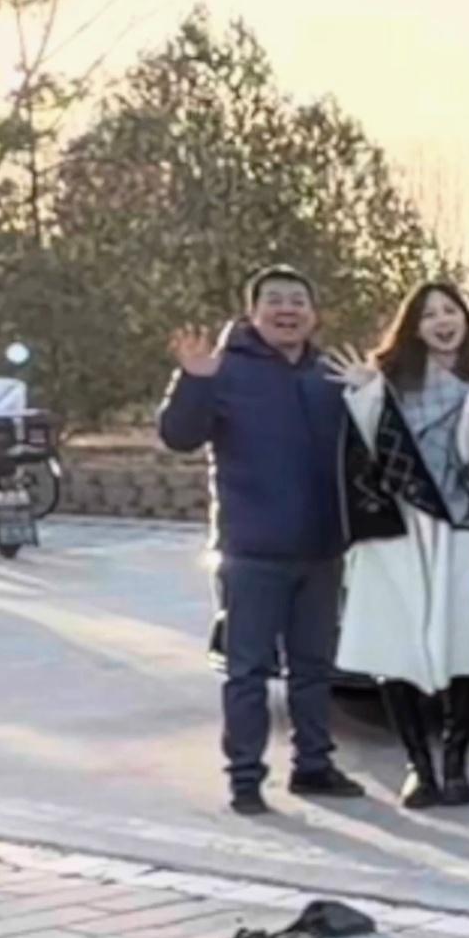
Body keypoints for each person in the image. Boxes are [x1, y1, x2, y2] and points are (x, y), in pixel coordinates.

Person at [157, 266, 369, 815]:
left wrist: (369, 393)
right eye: (275, 300)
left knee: (313, 669)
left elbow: (365, 451)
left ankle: (314, 766)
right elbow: (178, 436)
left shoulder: (330, 374)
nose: (287, 309)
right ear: (253, 313)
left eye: (298, 300)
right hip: (251, 552)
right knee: (247, 672)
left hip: (321, 550)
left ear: (314, 315)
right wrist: (193, 381)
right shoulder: (223, 369)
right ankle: (246, 778)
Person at [327, 282, 469, 810]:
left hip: (458, 525)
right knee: (395, 639)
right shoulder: (386, 382)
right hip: (398, 527)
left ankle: (455, 764)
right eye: (429, 314)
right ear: (413, 326)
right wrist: (366, 396)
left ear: (466, 319)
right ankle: (418, 767)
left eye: (450, 310)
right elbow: (365, 454)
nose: (442, 321)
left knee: (464, 640)